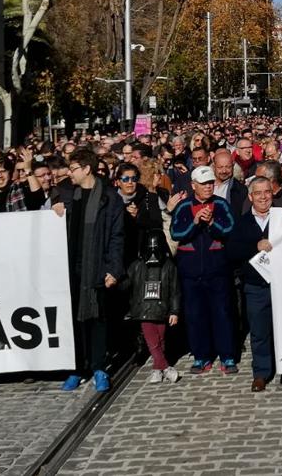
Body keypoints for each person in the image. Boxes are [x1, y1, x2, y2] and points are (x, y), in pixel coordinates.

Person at [51, 148, 125, 392]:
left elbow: (116, 236)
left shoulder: (109, 199)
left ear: (86, 169)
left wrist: (113, 269)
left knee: (98, 320)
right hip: (72, 267)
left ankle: (99, 366)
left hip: (98, 267)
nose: (69, 174)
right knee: (75, 321)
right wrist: (56, 209)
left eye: (73, 169)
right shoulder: (70, 195)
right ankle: (78, 367)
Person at [227, 177, 282, 391]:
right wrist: (255, 246)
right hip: (256, 286)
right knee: (260, 331)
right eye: (258, 193)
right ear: (250, 197)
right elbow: (231, 252)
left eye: (267, 192)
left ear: (272, 194)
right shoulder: (242, 223)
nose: (263, 197)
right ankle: (261, 372)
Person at [168, 165, 238, 375]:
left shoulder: (221, 204)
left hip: (217, 270)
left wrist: (213, 223)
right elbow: (176, 232)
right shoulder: (183, 206)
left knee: (222, 314)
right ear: (193, 185)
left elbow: (229, 228)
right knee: (195, 315)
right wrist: (195, 222)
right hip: (190, 272)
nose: (208, 187)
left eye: (210, 183)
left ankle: (227, 355)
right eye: (204, 184)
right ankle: (201, 356)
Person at [123, 230, 181, 385]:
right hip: (143, 311)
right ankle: (166, 368)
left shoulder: (169, 267)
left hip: (161, 310)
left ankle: (157, 369)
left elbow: (175, 291)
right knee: (152, 342)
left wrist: (174, 311)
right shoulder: (136, 266)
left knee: (160, 340)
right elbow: (126, 285)